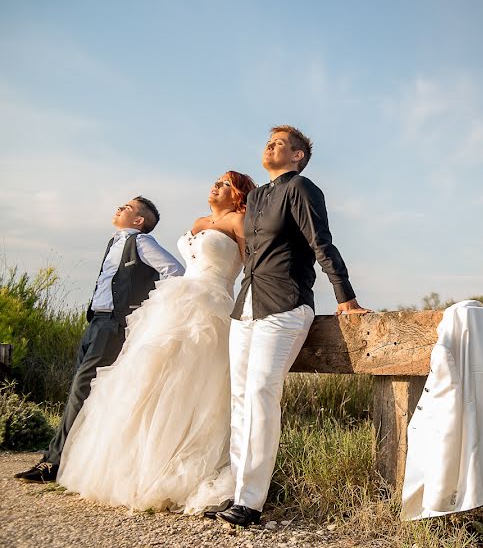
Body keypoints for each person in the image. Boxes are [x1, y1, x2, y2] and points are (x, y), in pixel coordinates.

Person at [51, 172, 257, 513]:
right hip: (174, 302)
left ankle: (185, 467)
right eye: (216, 181)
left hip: (212, 305)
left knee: (194, 385)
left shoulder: (240, 221)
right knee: (149, 377)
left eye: (225, 184)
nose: (216, 186)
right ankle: (135, 468)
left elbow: (253, 266)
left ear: (238, 195)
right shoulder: (199, 220)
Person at [210, 125, 367, 527]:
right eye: (268, 141)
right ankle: (236, 490)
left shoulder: (302, 189)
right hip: (246, 306)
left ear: (298, 156)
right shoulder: (259, 196)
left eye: (280, 143)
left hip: (284, 305)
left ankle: (251, 501)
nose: (270, 146)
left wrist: (344, 296)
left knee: (262, 393)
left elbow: (322, 243)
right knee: (240, 399)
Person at [15, 196, 184, 483]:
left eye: (127, 207)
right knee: (79, 390)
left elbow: (175, 272)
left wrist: (146, 310)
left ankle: (53, 464)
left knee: (82, 390)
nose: (120, 208)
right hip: (95, 322)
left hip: (113, 327)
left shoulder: (141, 243)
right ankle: (67, 459)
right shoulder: (113, 243)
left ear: (138, 221)